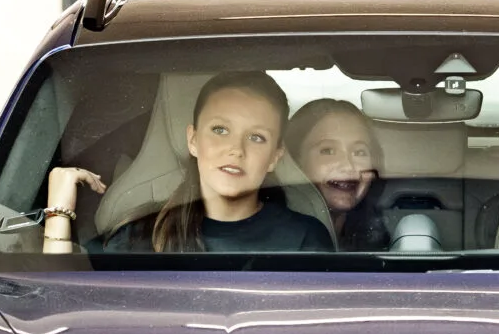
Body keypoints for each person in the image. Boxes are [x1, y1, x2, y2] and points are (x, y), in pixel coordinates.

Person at [42, 72, 333, 253]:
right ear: (193, 140)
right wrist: (58, 210)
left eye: (256, 137)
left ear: (275, 157)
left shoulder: (304, 238)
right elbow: (59, 304)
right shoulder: (141, 236)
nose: (236, 149)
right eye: (220, 130)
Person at [284, 99, 389, 251]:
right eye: (328, 151)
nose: (348, 165)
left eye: (359, 152)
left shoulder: (377, 240)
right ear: (296, 161)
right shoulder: (274, 242)